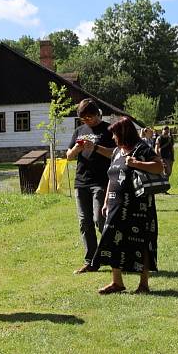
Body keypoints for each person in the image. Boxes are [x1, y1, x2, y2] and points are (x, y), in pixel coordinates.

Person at [92, 117, 165, 294]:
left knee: (141, 242)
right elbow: (112, 176)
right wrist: (107, 201)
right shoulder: (117, 151)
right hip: (116, 204)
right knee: (112, 239)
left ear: (124, 133)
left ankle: (144, 284)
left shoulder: (142, 148)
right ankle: (117, 282)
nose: (113, 138)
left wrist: (136, 163)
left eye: (116, 134)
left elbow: (159, 167)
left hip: (139, 206)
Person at [66, 99, 116, 274]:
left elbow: (114, 154)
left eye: (90, 117)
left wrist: (95, 147)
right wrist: (77, 150)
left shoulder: (109, 130)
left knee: (99, 219)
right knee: (84, 222)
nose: (87, 121)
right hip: (81, 182)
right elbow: (69, 155)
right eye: (84, 118)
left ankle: (114, 254)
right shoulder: (79, 131)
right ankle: (91, 261)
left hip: (101, 182)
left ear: (97, 114)